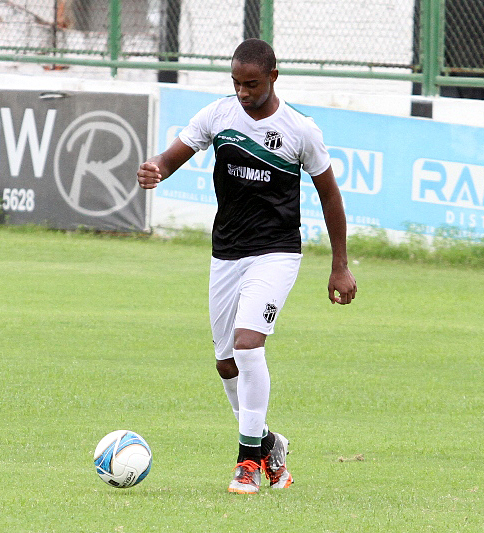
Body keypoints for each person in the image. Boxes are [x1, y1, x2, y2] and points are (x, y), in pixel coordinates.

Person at [137, 38, 357, 494]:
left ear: (273, 77)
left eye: (251, 84)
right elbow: (172, 156)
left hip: (276, 252)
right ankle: (269, 445)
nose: (242, 92)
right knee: (225, 364)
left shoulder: (300, 130)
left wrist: (340, 265)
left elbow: (330, 195)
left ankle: (247, 464)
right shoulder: (217, 116)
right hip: (226, 253)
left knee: (247, 344)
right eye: (236, 83)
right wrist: (156, 168)